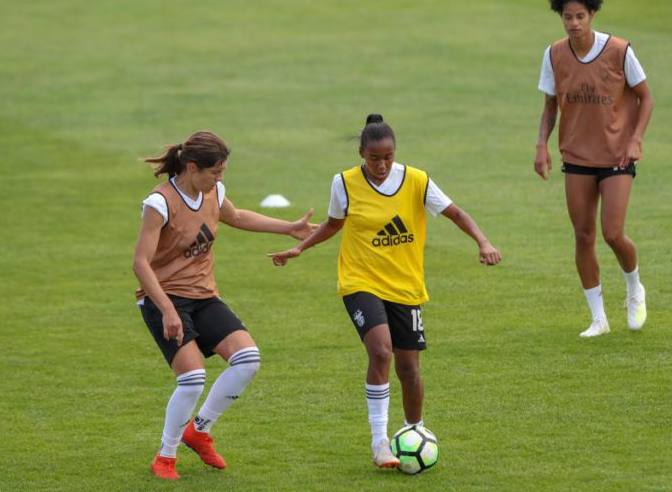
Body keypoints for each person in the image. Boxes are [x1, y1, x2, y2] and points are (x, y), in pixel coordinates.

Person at [268, 114, 502, 468]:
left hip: (405, 286)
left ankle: (414, 431)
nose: (381, 165)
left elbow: (455, 213)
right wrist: (300, 248)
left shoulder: (417, 180)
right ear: (361, 154)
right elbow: (334, 224)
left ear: (395, 152)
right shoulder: (344, 183)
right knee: (380, 351)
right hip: (360, 281)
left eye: (388, 157)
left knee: (409, 369)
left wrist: (483, 242)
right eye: (374, 158)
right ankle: (379, 443)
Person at [133, 131, 316, 480]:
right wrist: (168, 311)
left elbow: (238, 217)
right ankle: (165, 457)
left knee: (248, 360)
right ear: (192, 167)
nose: (219, 178)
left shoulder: (213, 192)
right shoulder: (159, 204)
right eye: (215, 171)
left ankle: (199, 431)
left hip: (203, 296)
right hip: (164, 299)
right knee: (192, 379)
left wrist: (289, 228)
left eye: (222, 171)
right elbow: (140, 263)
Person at [534, 0, 654, 338]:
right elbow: (550, 105)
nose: (574, 23)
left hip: (617, 154)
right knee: (583, 235)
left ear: (592, 15)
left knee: (612, 233)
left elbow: (646, 98)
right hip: (577, 155)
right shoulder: (554, 54)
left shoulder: (619, 51)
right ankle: (599, 318)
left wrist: (636, 139)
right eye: (567, 17)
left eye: (580, 17)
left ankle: (634, 287)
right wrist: (541, 146)